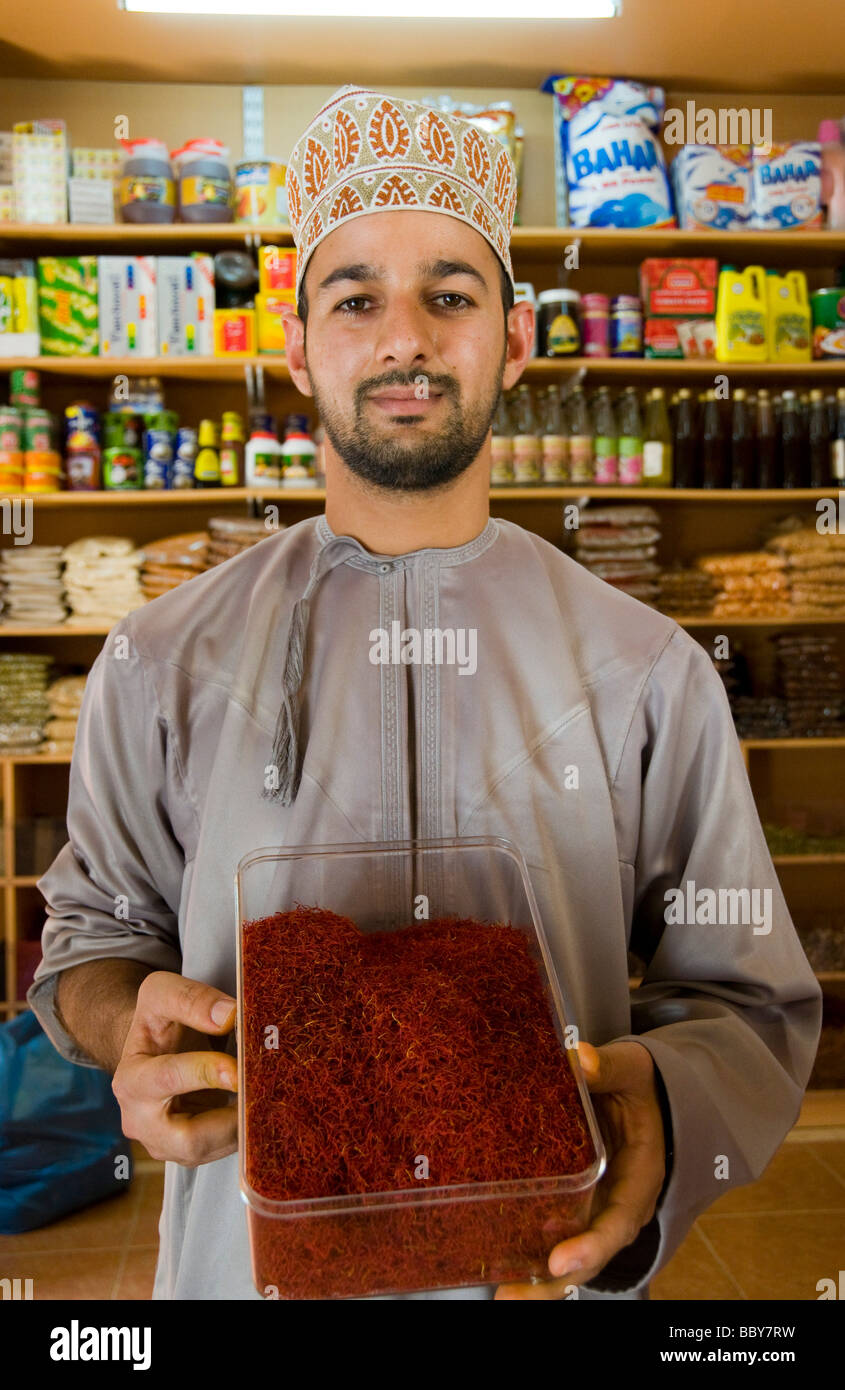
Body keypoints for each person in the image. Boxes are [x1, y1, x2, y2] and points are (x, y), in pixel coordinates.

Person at [30, 85, 820, 1302]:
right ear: (295, 347)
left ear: (513, 339)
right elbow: (86, 943)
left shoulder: (645, 667)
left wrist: (666, 1108)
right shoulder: (162, 657)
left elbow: (747, 1002)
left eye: (451, 294)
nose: (404, 336)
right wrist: (124, 1022)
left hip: (539, 1277)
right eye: (355, 298)